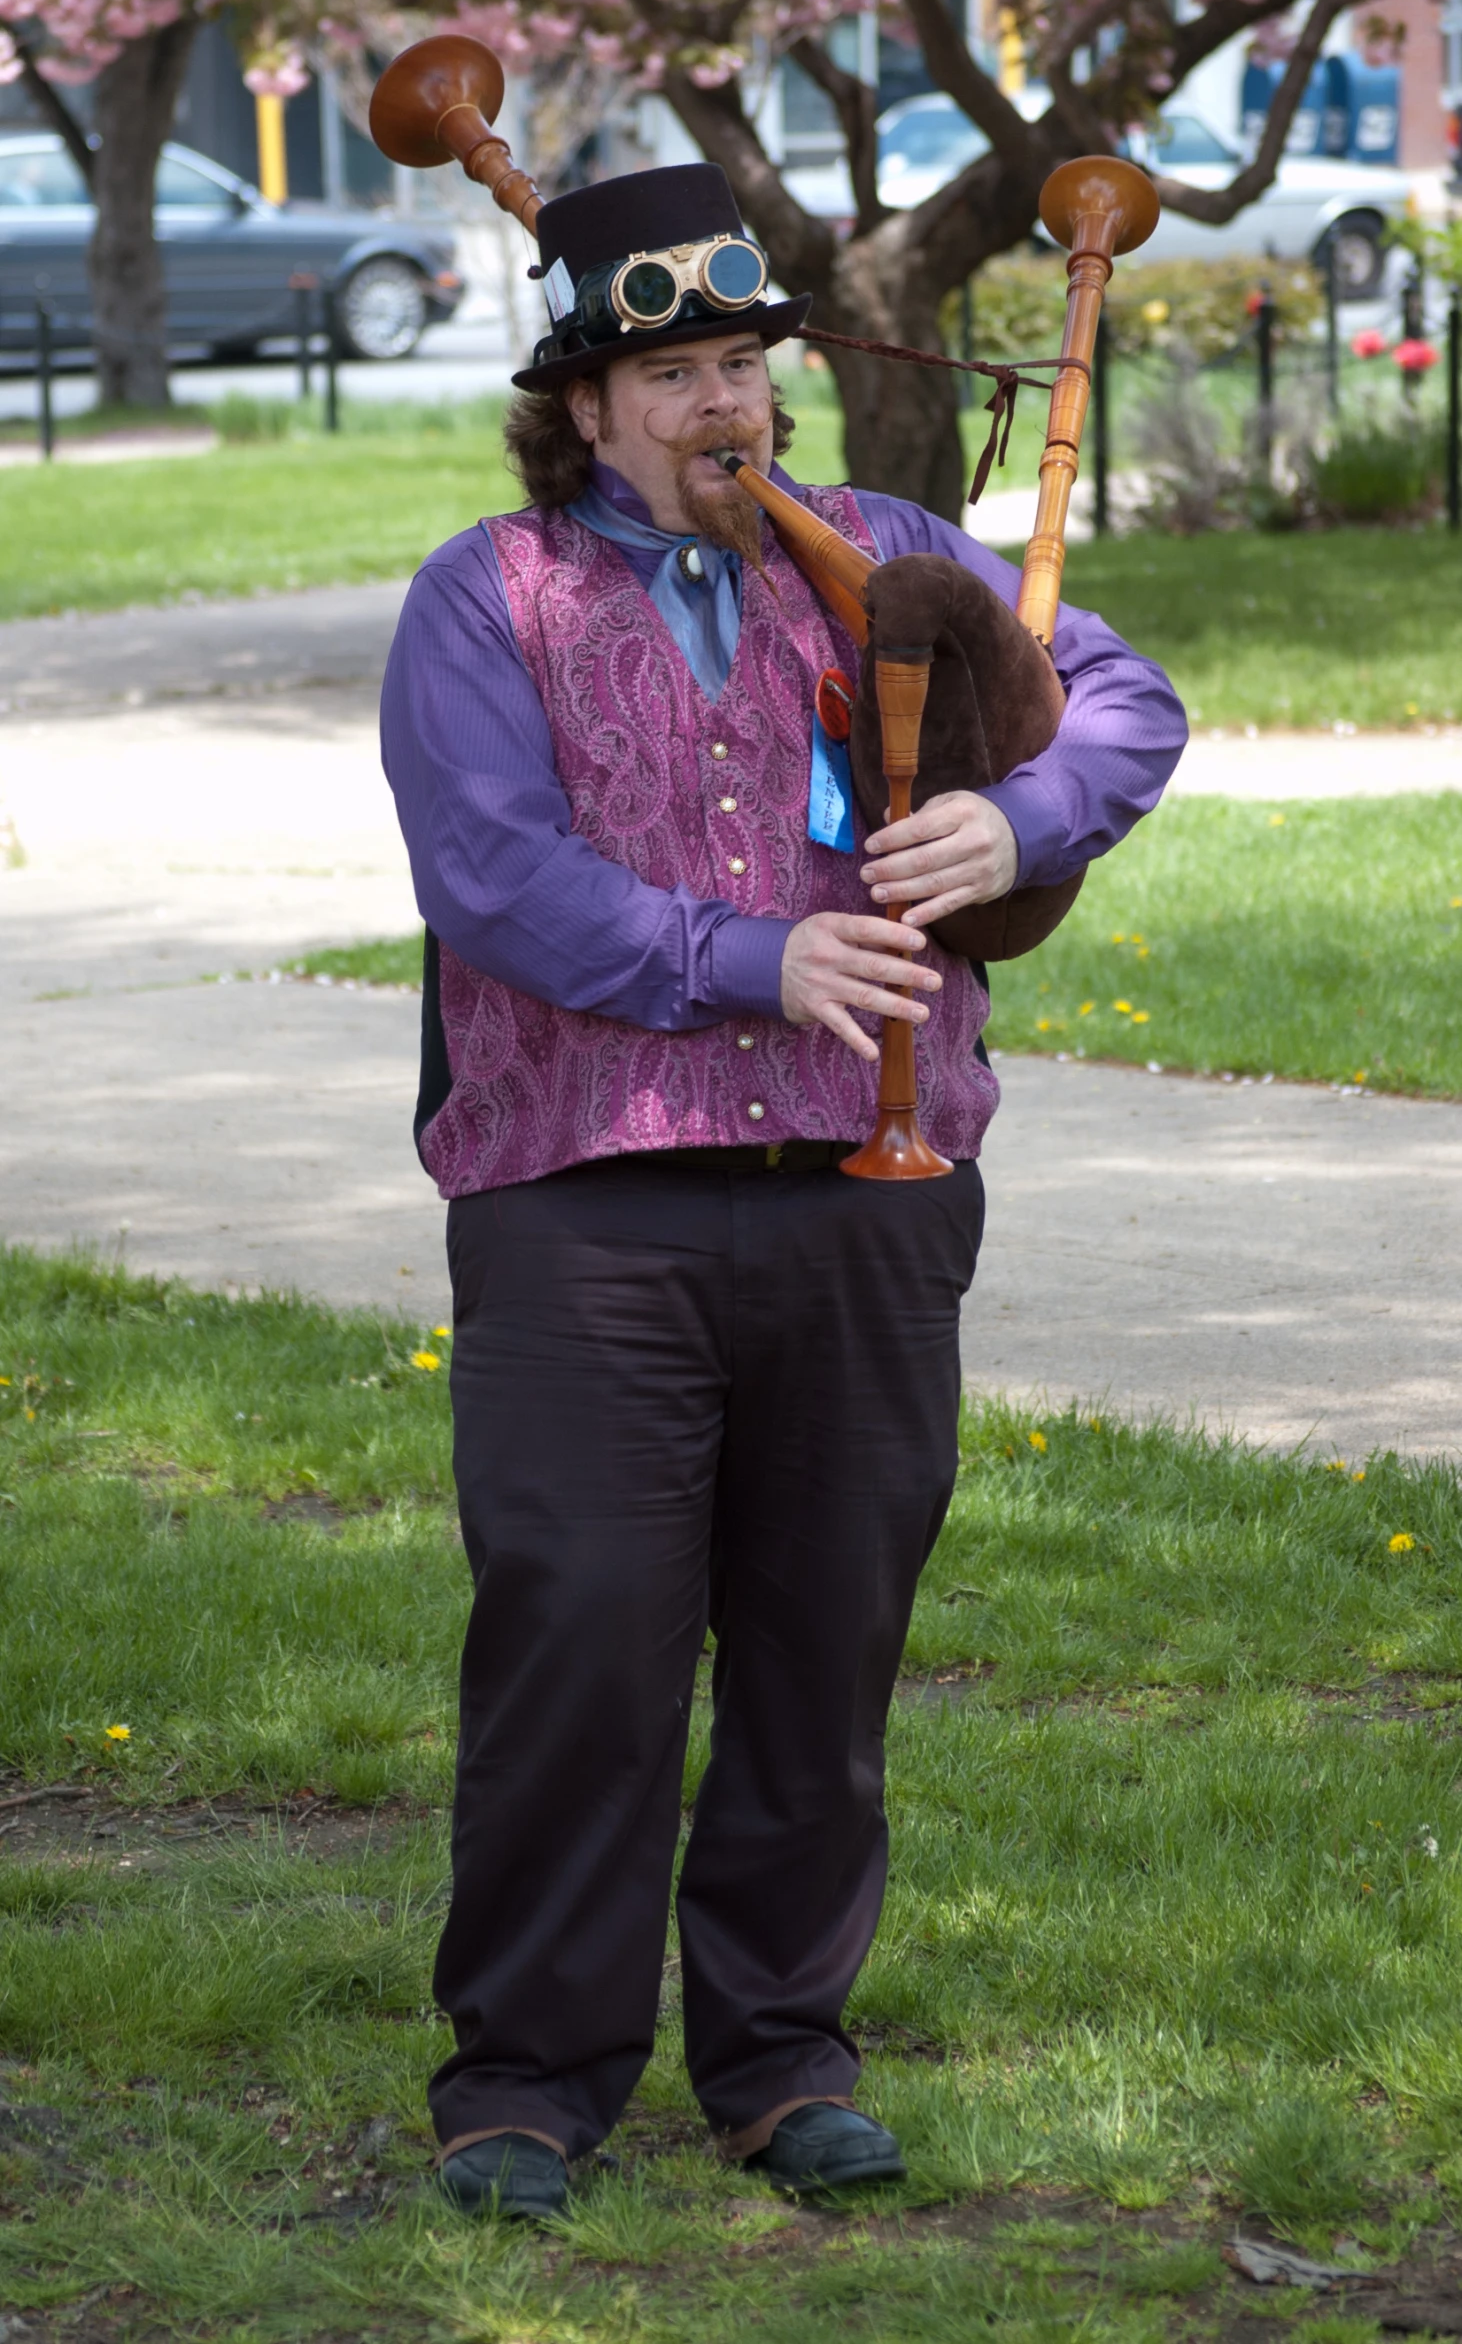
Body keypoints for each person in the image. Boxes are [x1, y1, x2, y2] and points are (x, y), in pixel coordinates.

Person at [381, 162, 1187, 2222]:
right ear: (587, 405)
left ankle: (778, 2054)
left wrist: (1013, 818)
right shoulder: (494, 594)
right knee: (581, 1632)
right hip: (586, 1198)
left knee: (823, 1641)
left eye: (744, 360)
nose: (721, 402)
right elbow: (492, 875)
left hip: (871, 1186)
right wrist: (758, 957)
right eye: (674, 373)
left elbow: (1119, 697)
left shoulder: (897, 556)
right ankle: (529, 2075)